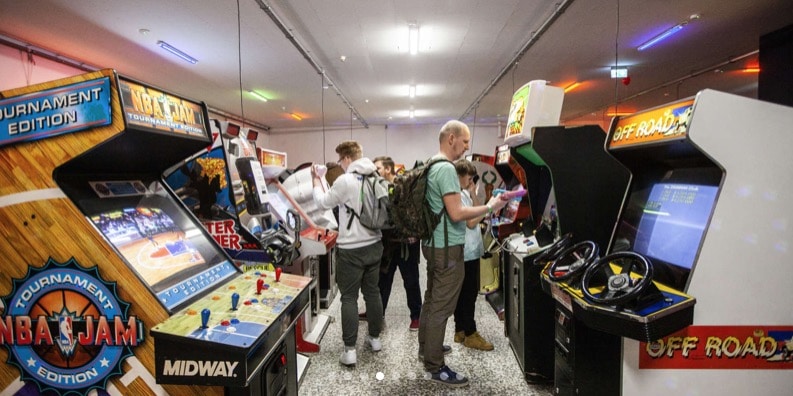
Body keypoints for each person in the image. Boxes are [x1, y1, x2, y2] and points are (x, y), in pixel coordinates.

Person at [418, 120, 508, 387]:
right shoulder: (445, 169)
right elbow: (457, 213)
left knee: (432, 299)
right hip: (447, 248)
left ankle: (427, 348)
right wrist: (490, 206)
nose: (468, 147)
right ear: (451, 139)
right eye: (465, 141)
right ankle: (435, 366)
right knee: (442, 307)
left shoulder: (430, 163)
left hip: (433, 244)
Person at [311, 141, 384, 367]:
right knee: (372, 293)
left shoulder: (345, 180)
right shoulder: (376, 177)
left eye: (341, 161)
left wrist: (316, 180)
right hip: (375, 244)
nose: (341, 166)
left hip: (352, 249)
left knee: (349, 298)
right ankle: (375, 339)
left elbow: (322, 203)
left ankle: (350, 350)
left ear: (346, 159)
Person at [359, 156, 422, 331]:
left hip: (406, 244)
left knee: (411, 281)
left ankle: (416, 316)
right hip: (387, 242)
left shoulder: (403, 186)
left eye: (377, 168)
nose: (374, 172)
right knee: (382, 281)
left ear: (388, 169)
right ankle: (377, 312)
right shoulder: (378, 187)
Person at [453, 159, 494, 351]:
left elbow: (476, 207)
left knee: (463, 293)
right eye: (469, 178)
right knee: (468, 294)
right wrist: (489, 209)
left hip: (470, 249)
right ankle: (470, 333)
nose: (471, 181)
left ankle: (460, 330)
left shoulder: (463, 193)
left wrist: (473, 193)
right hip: (467, 251)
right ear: (461, 176)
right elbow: (470, 222)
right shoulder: (457, 195)